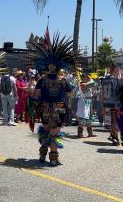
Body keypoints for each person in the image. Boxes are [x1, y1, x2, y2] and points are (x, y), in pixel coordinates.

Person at [32, 35, 75, 166]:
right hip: (59, 108)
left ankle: (42, 155)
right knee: (54, 134)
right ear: (58, 68)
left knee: (45, 132)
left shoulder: (42, 80)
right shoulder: (63, 81)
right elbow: (70, 93)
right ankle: (53, 159)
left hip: (44, 108)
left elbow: (35, 95)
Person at [100, 65, 121, 146]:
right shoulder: (117, 80)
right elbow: (118, 93)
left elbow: (102, 93)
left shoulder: (104, 80)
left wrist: (102, 105)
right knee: (114, 122)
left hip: (106, 103)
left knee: (111, 121)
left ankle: (112, 135)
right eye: (118, 71)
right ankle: (115, 137)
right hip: (114, 103)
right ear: (116, 70)